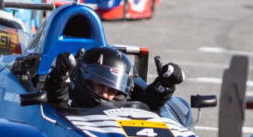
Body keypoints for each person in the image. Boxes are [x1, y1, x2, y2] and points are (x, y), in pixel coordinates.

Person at [45, 47, 185, 111]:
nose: (106, 94)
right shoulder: (68, 105)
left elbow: (145, 106)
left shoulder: (124, 106)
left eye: (112, 90)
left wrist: (164, 85)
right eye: (99, 85)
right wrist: (58, 76)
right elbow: (57, 96)